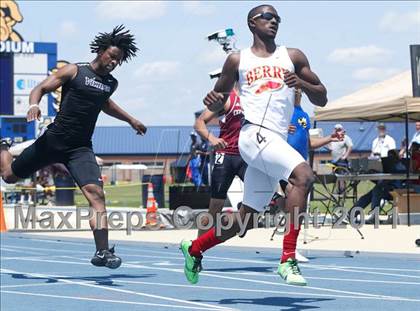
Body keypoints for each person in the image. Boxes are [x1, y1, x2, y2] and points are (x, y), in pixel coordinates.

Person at [180, 4, 327, 287]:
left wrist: (303, 85)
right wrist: (214, 102)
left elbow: (322, 98)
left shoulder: (293, 56)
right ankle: (288, 259)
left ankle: (195, 248)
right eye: (267, 17)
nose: (274, 22)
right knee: (304, 175)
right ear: (252, 23)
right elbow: (220, 98)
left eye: (277, 18)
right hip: (253, 136)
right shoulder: (238, 60)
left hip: (274, 140)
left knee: (246, 218)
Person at [0, 25, 146, 269]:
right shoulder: (74, 71)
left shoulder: (111, 83)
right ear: (100, 51)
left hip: (80, 148)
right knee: (9, 176)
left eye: (118, 61)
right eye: (112, 57)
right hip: (52, 142)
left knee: (97, 195)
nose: (114, 63)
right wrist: (33, 106)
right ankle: (3, 147)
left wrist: (131, 119)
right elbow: (41, 88)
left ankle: (102, 252)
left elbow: (105, 104)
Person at [194, 83, 247, 237]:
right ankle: (196, 249)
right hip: (226, 156)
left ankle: (239, 219)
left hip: (248, 157)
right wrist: (212, 139)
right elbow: (199, 122)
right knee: (215, 207)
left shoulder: (256, 98)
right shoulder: (227, 97)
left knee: (264, 198)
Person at [349, 149, 406, 223]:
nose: (390, 158)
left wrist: (383, 180)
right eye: (388, 156)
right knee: (370, 194)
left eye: (391, 156)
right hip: (387, 188)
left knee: (377, 190)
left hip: (397, 190)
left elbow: (396, 180)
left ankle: (374, 216)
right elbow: (386, 178)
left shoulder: (400, 165)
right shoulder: (388, 166)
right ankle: (351, 214)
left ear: (396, 156)